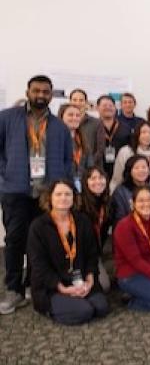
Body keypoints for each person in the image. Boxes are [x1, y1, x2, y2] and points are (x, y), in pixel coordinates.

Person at [0, 75, 72, 315]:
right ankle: (13, 290)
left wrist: (62, 189)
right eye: (36, 91)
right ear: (28, 91)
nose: (41, 95)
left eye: (45, 92)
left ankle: (33, 283)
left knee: (39, 241)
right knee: (14, 240)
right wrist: (4, 178)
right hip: (15, 192)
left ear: (51, 95)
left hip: (45, 195)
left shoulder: (60, 127)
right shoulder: (7, 118)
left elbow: (67, 160)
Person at [26, 179, 108, 325]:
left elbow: (92, 255)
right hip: (52, 286)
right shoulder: (38, 226)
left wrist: (89, 280)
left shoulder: (82, 221)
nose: (63, 198)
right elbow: (39, 265)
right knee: (85, 311)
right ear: (50, 197)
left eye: (67, 194)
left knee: (101, 307)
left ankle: (75, 302)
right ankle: (52, 307)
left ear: (74, 198)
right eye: (58, 194)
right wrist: (63, 288)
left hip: (80, 279)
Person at [76, 167, 112, 292]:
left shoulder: (106, 203)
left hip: (95, 254)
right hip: (78, 255)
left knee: (105, 287)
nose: (98, 181)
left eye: (101, 178)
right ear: (85, 182)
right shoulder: (79, 205)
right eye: (93, 178)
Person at [111, 155, 150, 223]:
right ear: (129, 171)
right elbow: (119, 219)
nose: (141, 170)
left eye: (144, 167)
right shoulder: (120, 192)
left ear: (149, 170)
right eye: (136, 168)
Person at [110, 120, 150, 193]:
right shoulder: (126, 151)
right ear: (137, 134)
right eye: (143, 132)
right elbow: (118, 177)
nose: (147, 135)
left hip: (144, 193)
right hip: (124, 191)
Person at [93, 95, 131, 179]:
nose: (108, 108)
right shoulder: (92, 127)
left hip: (121, 170)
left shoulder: (125, 128)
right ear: (97, 108)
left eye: (111, 106)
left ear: (115, 108)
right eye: (104, 105)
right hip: (98, 169)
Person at [59, 103, 92, 190]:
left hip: (83, 185)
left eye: (78, 115)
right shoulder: (54, 139)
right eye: (70, 115)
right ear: (61, 117)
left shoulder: (83, 139)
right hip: (62, 185)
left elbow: (90, 165)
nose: (75, 118)